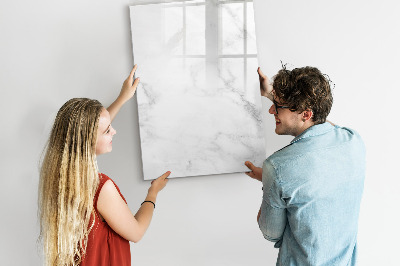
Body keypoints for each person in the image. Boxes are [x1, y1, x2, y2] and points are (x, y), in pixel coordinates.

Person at [38, 65, 170, 266]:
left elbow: (91, 129)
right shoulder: (100, 187)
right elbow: (136, 232)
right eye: (108, 131)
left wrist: (122, 98)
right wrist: (153, 193)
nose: (114, 132)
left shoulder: (59, 175)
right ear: (88, 140)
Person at [245, 66, 365, 265]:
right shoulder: (353, 141)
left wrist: (269, 180)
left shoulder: (277, 167)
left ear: (306, 114)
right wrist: (271, 94)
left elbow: (270, 233)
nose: (271, 110)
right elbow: (323, 125)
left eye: (278, 106)